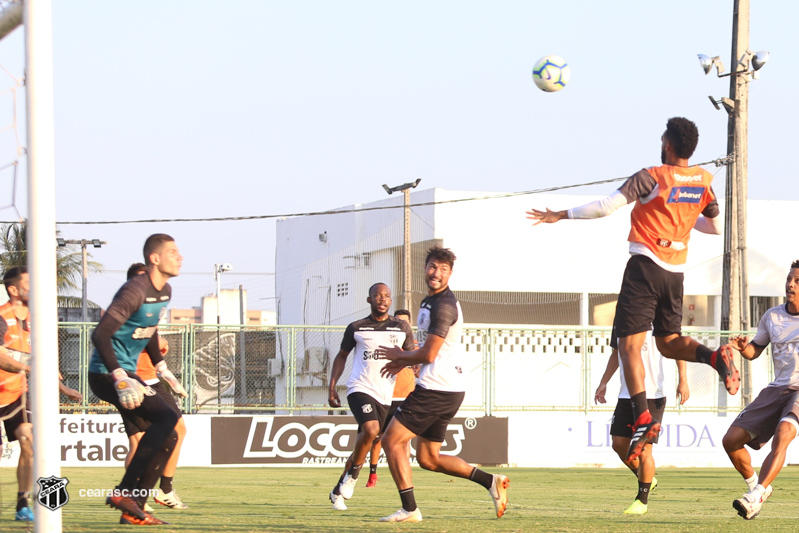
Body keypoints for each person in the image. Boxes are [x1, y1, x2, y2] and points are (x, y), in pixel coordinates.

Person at [527, 117, 738, 462]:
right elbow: (714, 226)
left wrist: (561, 215)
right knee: (668, 343)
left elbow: (606, 206)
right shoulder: (703, 182)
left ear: (668, 144)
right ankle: (714, 357)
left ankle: (642, 416)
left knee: (629, 345)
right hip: (675, 273)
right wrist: (683, 224)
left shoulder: (652, 175)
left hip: (644, 267)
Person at [376, 246, 509, 523]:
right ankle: (490, 481)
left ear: (450, 274)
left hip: (437, 387)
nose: (437, 273)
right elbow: (428, 349)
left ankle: (410, 510)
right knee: (428, 458)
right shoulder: (428, 301)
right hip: (446, 386)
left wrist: (400, 356)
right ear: (425, 269)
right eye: (433, 267)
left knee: (390, 439)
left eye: (443, 269)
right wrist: (407, 359)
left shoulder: (444, 306)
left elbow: (429, 354)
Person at [89, 234, 186, 526]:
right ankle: (124, 493)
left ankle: (134, 510)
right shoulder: (135, 290)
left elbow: (150, 331)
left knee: (169, 433)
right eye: (173, 252)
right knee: (168, 417)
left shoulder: (165, 290)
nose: (179, 257)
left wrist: (163, 369)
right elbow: (100, 334)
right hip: (106, 373)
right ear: (154, 258)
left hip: (129, 374)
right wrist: (119, 377)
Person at [0, 266, 82, 522]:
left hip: (17, 394)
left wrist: (62, 387)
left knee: (29, 440)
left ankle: (23, 503)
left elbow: (42, 359)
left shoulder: (36, 318)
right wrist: (28, 367)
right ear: (13, 290)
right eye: (28, 283)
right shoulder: (1, 316)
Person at [722, 260, 799, 520]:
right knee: (730, 441)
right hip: (778, 389)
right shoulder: (773, 316)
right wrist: (743, 347)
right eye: (789, 279)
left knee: (784, 431)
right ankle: (758, 486)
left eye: (797, 281)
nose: (790, 284)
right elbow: (755, 350)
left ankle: (755, 495)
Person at [327, 283, 415, 511]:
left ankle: (338, 489)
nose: (382, 299)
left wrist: (408, 364)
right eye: (378, 295)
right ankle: (354, 477)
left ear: (390, 301)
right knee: (371, 431)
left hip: (386, 396)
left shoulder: (401, 327)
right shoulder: (356, 327)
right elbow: (342, 356)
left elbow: (412, 355)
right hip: (359, 388)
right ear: (369, 300)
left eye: (386, 295)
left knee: (364, 443)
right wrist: (332, 385)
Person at [595, 328, 688, 514]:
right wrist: (604, 382)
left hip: (653, 395)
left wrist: (683, 380)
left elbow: (678, 348)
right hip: (625, 394)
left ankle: (641, 501)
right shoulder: (622, 321)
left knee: (645, 449)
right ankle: (646, 478)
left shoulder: (662, 319)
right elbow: (616, 353)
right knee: (618, 443)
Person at [122, 263, 189, 511]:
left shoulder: (150, 309)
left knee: (178, 430)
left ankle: (165, 490)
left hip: (151, 379)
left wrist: (168, 374)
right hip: (129, 381)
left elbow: (154, 341)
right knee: (138, 442)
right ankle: (133, 496)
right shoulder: (122, 309)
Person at [365, 309, 418, 488]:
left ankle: (405, 474)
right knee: (377, 436)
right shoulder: (386, 343)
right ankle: (373, 473)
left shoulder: (414, 347)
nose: (403, 324)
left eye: (406, 321)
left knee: (404, 439)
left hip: (406, 396)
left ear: (409, 324)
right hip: (386, 394)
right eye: (399, 320)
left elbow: (421, 364)